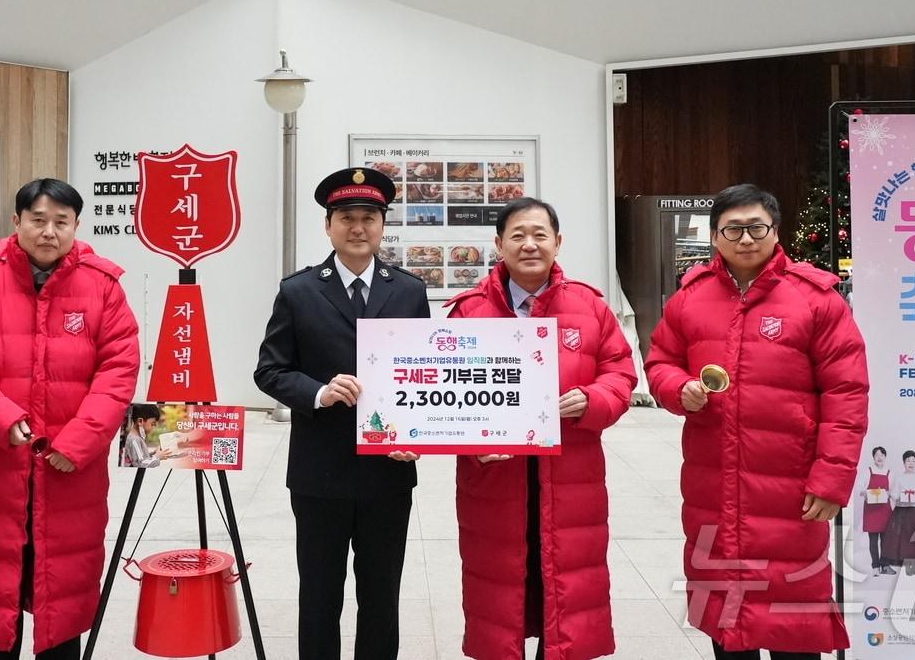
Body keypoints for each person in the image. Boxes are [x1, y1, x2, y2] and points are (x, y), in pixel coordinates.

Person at [644, 183, 869, 660]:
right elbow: (660, 361)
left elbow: (846, 393)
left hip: (790, 487)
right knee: (725, 616)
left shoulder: (816, 299)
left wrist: (831, 480)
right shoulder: (691, 297)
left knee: (794, 616)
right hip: (713, 485)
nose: (746, 239)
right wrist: (677, 388)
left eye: (756, 228)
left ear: (775, 230)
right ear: (715, 236)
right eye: (733, 229)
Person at [0, 178, 140, 660]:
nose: (49, 232)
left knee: (60, 597)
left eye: (60, 222)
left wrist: (78, 442)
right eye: (38, 220)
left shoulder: (103, 288)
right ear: (17, 222)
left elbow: (119, 369)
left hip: (68, 470)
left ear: (76, 226)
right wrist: (0, 418)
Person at [445, 198, 636, 660]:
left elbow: (621, 373)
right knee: (502, 590)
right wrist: (472, 443)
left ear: (557, 242)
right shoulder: (469, 312)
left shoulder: (590, 306)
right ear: (498, 244)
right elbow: (446, 391)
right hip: (495, 478)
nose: (529, 244)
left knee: (565, 589)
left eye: (539, 234)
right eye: (517, 235)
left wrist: (593, 400)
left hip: (571, 475)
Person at [254, 167, 430, 659]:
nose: (358, 228)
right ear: (328, 226)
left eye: (368, 218)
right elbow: (270, 371)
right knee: (319, 595)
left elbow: (425, 370)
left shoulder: (410, 292)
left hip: (389, 472)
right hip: (319, 472)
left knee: (381, 596)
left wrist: (420, 432)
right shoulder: (300, 291)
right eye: (347, 218)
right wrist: (318, 392)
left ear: (382, 226)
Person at [887, 450, 915, 575]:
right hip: (903, 511)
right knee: (905, 538)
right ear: (904, 463)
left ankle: (914, 565)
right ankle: (908, 565)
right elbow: (894, 495)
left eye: (913, 460)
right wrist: (902, 497)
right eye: (908, 461)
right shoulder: (899, 478)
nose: (911, 463)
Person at [862, 446, 895, 575]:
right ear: (873, 458)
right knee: (873, 540)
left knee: (886, 539)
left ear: (885, 457)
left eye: (882, 455)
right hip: (872, 510)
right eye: (876, 455)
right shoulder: (868, 471)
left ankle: (885, 565)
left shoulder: (889, 473)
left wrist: (890, 493)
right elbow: (860, 488)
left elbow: (893, 491)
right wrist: (865, 493)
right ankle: (875, 566)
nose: (879, 457)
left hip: (884, 509)